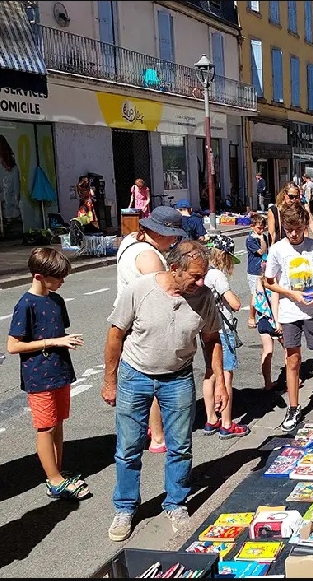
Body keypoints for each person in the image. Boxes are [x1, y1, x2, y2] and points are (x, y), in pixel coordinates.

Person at [102, 240, 227, 542]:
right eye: (195, 276)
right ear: (174, 269)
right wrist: (110, 379)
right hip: (136, 375)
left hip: (178, 377)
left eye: (204, 275)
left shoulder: (204, 297)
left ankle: (175, 502)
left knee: (180, 446)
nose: (201, 282)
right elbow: (115, 335)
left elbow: (212, 340)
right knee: (129, 447)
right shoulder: (140, 290)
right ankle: (126, 507)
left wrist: (219, 380)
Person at [7, 247, 89, 500]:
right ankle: (54, 480)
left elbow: (57, 332)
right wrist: (53, 343)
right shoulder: (26, 304)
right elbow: (13, 346)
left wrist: (64, 339)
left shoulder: (56, 300)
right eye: (58, 277)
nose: (62, 282)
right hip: (38, 375)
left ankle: (57, 472)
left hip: (60, 370)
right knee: (45, 426)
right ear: (39, 276)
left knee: (58, 423)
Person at [263, 206, 313, 432]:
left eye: (298, 229)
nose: (293, 234)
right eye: (289, 229)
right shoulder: (278, 249)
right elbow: (268, 282)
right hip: (290, 312)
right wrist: (290, 294)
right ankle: (294, 406)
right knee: (293, 359)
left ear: (305, 227)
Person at [114, 205, 187, 454]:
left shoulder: (131, 240)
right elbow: (161, 292)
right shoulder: (149, 257)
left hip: (127, 317)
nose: (175, 240)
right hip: (142, 322)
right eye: (172, 235)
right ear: (157, 232)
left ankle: (145, 428)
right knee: (154, 378)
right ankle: (157, 435)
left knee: (138, 377)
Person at [202, 234, 248, 439]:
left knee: (210, 373)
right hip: (222, 329)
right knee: (226, 374)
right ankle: (227, 422)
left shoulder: (202, 272)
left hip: (206, 329)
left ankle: (211, 418)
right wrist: (233, 299)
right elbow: (235, 303)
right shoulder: (217, 275)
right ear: (223, 255)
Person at [253, 255, 282, 391]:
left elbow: (254, 301)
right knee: (289, 350)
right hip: (277, 319)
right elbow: (277, 302)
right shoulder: (276, 281)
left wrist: (251, 317)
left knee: (267, 351)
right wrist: (277, 322)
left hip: (263, 318)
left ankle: (268, 383)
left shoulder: (259, 280)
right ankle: (293, 378)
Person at [245, 213, 268, 329]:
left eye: (263, 227)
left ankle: (263, 314)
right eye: (259, 227)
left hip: (264, 268)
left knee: (264, 292)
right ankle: (251, 317)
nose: (261, 230)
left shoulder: (263, 237)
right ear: (252, 226)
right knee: (255, 293)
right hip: (254, 270)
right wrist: (261, 240)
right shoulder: (250, 240)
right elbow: (262, 252)